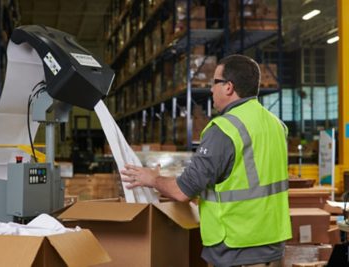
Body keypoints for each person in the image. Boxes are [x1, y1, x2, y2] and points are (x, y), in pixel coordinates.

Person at [121, 54, 292, 267]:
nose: (211, 89)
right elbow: (248, 177)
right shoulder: (275, 124)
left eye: (215, 82)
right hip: (273, 245)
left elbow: (182, 191)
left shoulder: (224, 129)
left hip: (237, 248)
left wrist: (152, 179)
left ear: (228, 87)